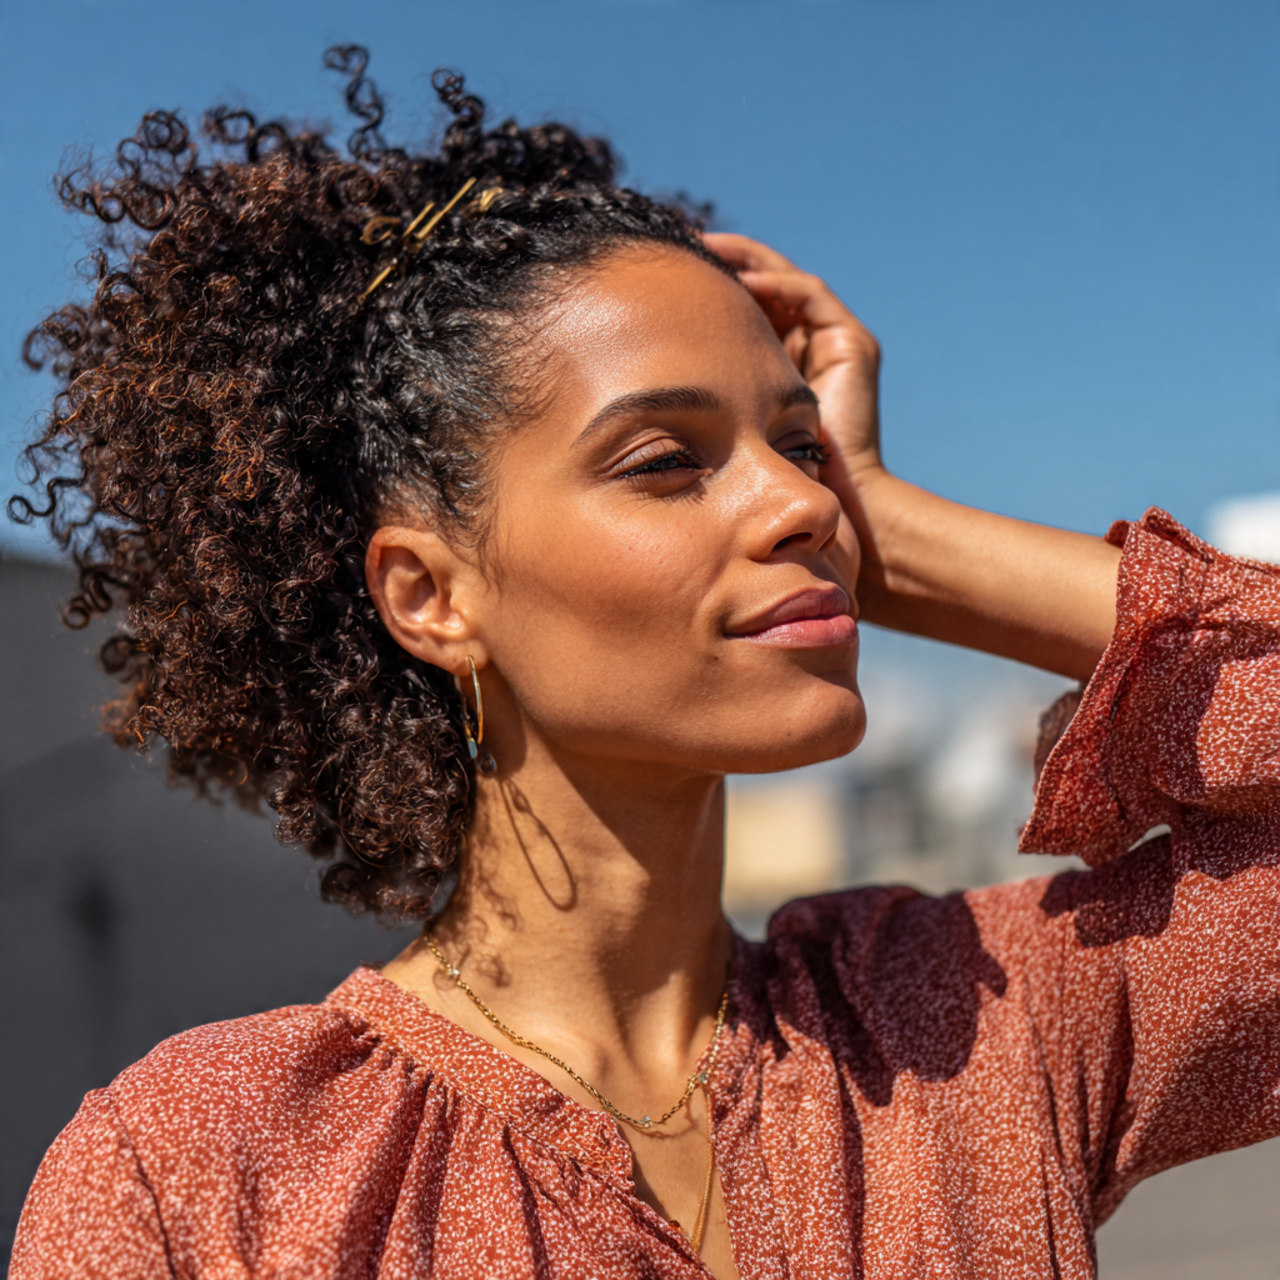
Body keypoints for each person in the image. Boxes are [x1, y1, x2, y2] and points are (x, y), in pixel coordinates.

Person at [8, 47, 1279, 1280]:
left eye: (802, 449)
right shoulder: (197, 1170)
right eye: (665, 460)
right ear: (431, 595)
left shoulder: (970, 1022)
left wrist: (897, 534)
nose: (801, 505)